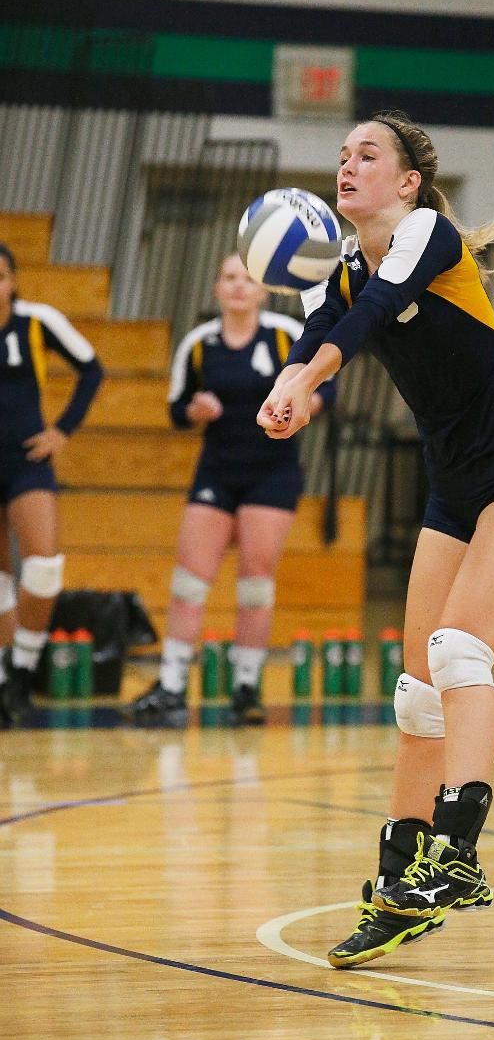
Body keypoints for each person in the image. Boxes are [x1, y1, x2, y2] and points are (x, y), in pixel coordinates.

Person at [257, 110, 494, 968]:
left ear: (407, 181)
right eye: (342, 155)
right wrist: (290, 387)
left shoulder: (427, 235)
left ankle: (458, 855)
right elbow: (318, 332)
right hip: (457, 486)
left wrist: (308, 379)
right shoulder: (337, 268)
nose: (347, 165)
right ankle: (401, 885)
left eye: (367, 154)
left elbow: (368, 318)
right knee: (416, 694)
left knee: (460, 650)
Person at [127, 253, 334, 727]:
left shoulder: (285, 336)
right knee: (189, 582)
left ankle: (246, 688)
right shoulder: (200, 344)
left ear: (263, 290)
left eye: (247, 279)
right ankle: (172, 687)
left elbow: (326, 388)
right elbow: (177, 409)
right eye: (229, 278)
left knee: (255, 584)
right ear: (217, 289)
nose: (239, 286)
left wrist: (299, 405)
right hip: (216, 473)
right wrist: (194, 411)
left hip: (271, 474)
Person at [0, 242, 103, 727]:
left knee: (43, 568)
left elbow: (92, 369)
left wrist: (61, 431)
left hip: (27, 461)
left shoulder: (37, 322)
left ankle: (22, 668)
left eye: (0, 276)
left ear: (12, 282)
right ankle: (5, 679)